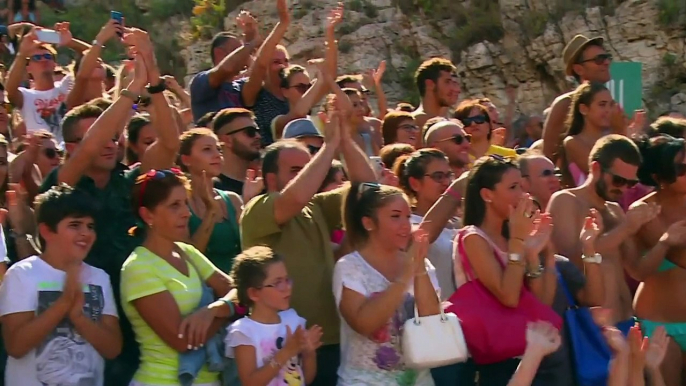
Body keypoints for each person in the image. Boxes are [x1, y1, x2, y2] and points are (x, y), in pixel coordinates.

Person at [240, 106, 377, 386]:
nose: (306, 175)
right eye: (295, 171)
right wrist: (328, 148)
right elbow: (291, 200)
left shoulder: (314, 206)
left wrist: (344, 142)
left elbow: (367, 188)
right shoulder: (257, 209)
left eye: (308, 168)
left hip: (331, 339)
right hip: (282, 346)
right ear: (270, 179)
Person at [420, 156, 555, 385]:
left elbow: (541, 303)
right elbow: (509, 297)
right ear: (487, 195)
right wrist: (518, 241)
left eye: (522, 187)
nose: (523, 196)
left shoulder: (512, 236)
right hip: (491, 362)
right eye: (513, 188)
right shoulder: (472, 237)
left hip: (527, 354)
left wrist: (538, 255)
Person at [121, 169, 237, 386]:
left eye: (185, 203)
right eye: (175, 205)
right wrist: (227, 311)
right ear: (148, 215)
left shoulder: (187, 251)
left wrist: (212, 310)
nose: (186, 213)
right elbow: (182, 341)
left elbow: (238, 290)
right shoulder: (138, 267)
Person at [0, 185, 122, 386]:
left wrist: (79, 318)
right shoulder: (22, 275)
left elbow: (113, 349)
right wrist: (64, 303)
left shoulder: (99, 278)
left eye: (90, 226)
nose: (86, 233)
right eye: (75, 225)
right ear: (47, 231)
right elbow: (15, 346)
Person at [548, 135, 660, 332]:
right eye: (618, 180)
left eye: (630, 183)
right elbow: (570, 263)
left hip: (626, 322)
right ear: (596, 168)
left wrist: (664, 241)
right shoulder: (566, 201)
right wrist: (625, 228)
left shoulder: (615, 210)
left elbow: (637, 270)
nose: (624, 188)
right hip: (593, 330)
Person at [334, 182, 440, 384]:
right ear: (369, 223)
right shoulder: (350, 266)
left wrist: (418, 268)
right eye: (395, 216)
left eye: (408, 217)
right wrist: (405, 274)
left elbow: (431, 321)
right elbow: (364, 324)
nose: (405, 225)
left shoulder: (421, 264)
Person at [632, 133, 686, 385]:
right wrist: (664, 242)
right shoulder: (643, 212)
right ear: (658, 177)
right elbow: (637, 272)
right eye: (681, 168)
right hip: (662, 326)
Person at [226, 246, 322, 385]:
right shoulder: (244, 332)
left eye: (287, 280)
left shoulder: (293, 320)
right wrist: (287, 352)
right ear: (254, 293)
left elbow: (304, 379)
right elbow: (250, 382)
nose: (287, 287)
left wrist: (309, 353)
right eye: (278, 283)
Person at [394, 149, 458, 299]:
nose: (447, 182)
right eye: (438, 177)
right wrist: (455, 192)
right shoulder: (408, 224)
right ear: (415, 183)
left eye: (449, 176)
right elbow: (422, 237)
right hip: (434, 315)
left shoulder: (458, 222)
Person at [179, 128, 243, 274]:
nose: (217, 155)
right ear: (186, 159)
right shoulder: (180, 203)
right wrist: (211, 213)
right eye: (207, 149)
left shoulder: (233, 199)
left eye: (219, 150)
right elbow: (190, 259)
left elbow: (248, 247)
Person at [543, 34, 614, 163]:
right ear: (578, 69)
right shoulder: (565, 104)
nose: (607, 62)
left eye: (607, 57)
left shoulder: (611, 103)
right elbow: (548, 155)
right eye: (599, 59)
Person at [560, 82, 612, 187]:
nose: (608, 110)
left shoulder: (611, 137)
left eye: (611, 105)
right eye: (602, 105)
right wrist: (621, 131)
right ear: (584, 109)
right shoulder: (573, 142)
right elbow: (604, 176)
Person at [411, 58, 460, 134]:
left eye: (454, 83)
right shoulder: (413, 124)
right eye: (447, 82)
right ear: (430, 84)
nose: (455, 89)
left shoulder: (455, 124)